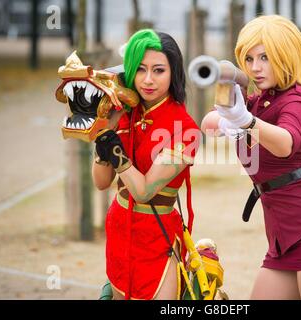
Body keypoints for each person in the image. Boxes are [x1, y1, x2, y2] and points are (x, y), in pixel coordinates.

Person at [201, 15, 301, 300]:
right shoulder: (257, 101)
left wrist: (246, 122)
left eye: (265, 57)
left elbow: (285, 143)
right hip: (283, 238)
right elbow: (207, 126)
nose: (255, 67)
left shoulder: (296, 99)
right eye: (248, 59)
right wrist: (228, 116)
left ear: (286, 56)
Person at [92, 29, 201, 300]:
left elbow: (143, 191)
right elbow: (101, 182)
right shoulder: (125, 113)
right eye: (140, 70)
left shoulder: (186, 130)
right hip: (119, 229)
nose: (148, 80)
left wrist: (115, 151)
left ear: (173, 72)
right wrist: (106, 129)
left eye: (159, 70)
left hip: (157, 238)